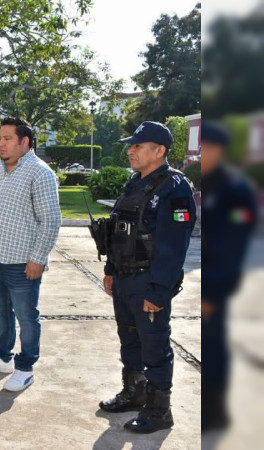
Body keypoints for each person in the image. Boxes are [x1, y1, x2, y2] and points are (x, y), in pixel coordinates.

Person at [96, 121, 196, 433]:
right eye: (132, 145)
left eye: (138, 145)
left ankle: (159, 410)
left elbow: (175, 245)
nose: (131, 150)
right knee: (130, 339)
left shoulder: (175, 188)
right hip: (125, 279)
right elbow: (118, 231)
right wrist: (111, 271)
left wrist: (158, 290)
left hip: (149, 282)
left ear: (160, 150)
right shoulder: (133, 184)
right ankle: (134, 392)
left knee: (154, 346)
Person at [0, 117, 61, 392]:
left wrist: (39, 258)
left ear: (25, 142)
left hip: (23, 262)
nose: (1, 144)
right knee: (1, 313)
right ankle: (2, 357)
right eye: (0, 138)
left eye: (7, 139)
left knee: (26, 316)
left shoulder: (40, 173)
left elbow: (51, 220)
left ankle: (25, 367)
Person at [200, 121, 258, 432]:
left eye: (203, 148)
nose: (198, 153)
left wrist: (211, 293)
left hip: (217, 287)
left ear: (218, 150)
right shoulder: (208, 184)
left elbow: (232, 248)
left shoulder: (235, 190)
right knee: (209, 346)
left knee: (214, 349)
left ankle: (215, 413)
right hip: (206, 283)